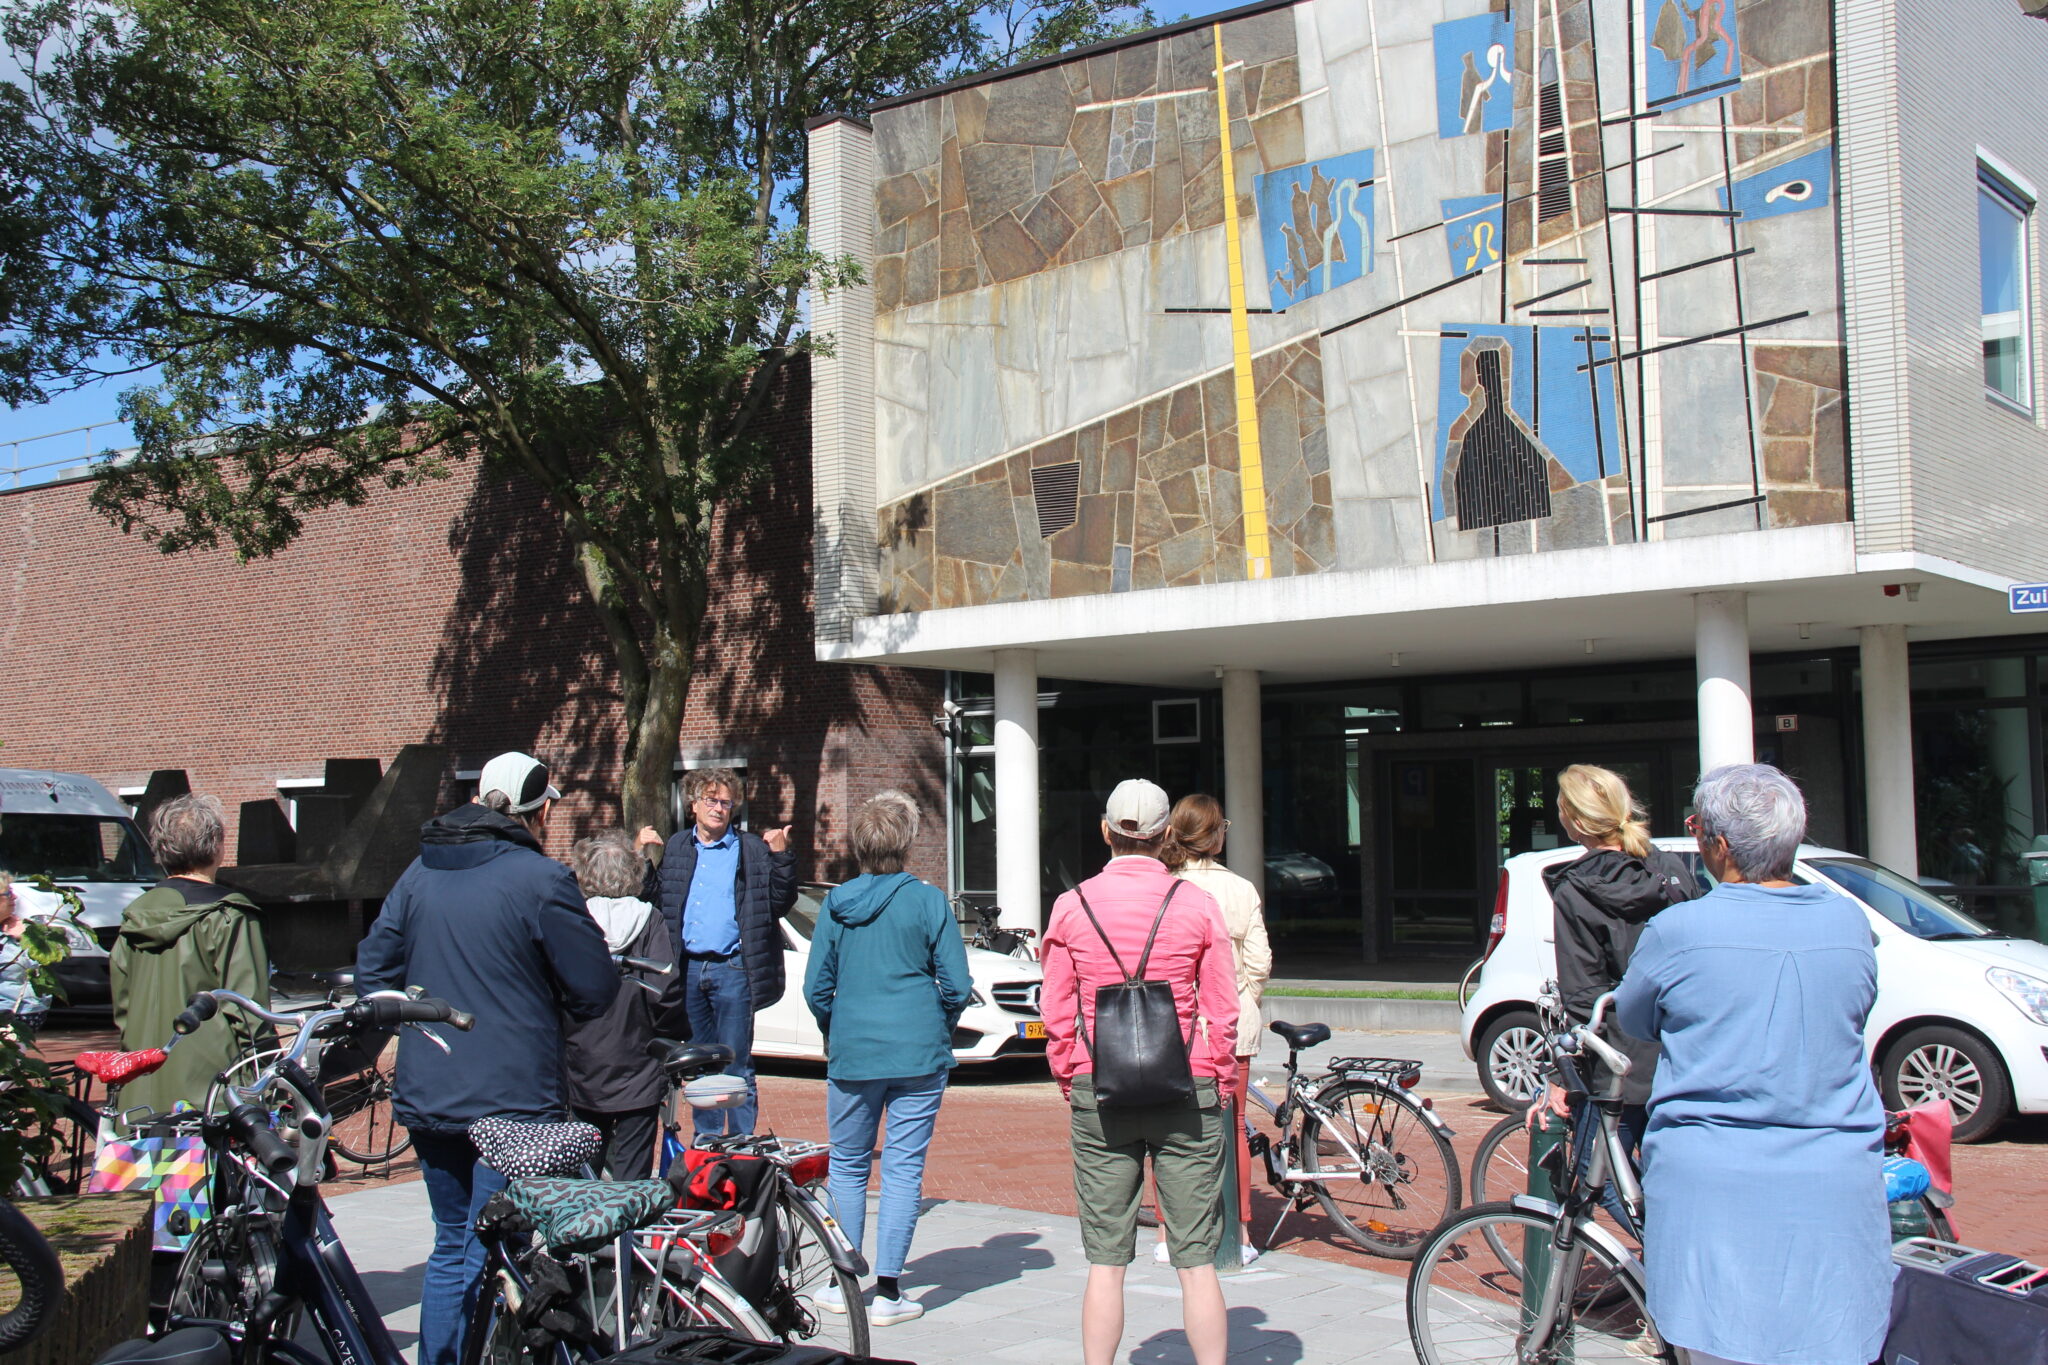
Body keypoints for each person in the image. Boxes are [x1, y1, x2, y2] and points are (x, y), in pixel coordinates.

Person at [1614, 764, 1890, 1365]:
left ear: (1716, 844)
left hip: (1715, 1184)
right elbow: (1855, 1008)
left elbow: (1634, 1021)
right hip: (1835, 1179)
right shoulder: (1850, 923)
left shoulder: (1679, 930)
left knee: (1720, 1347)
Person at [357, 752, 617, 1365]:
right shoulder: (540, 879)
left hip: (431, 1089)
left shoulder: (419, 873)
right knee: (503, 1247)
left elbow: (374, 971)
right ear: (539, 810)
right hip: (514, 1099)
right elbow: (595, 989)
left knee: (453, 1245)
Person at [1042, 778, 1237, 1365]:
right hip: (1190, 1086)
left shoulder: (1071, 907)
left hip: (1099, 1088)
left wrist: (1069, 1072)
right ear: (1164, 836)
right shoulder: (1198, 905)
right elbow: (1221, 1009)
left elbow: (1055, 1010)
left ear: (1106, 832)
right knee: (1197, 1262)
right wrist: (1223, 1080)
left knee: (1105, 1262)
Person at [803, 790, 971, 1328]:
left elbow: (815, 988)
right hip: (917, 1051)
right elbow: (959, 985)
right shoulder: (927, 901)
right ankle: (891, 1291)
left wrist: (838, 1031)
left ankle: (841, 1280)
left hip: (853, 1053)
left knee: (848, 1167)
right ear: (907, 842)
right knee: (902, 1169)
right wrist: (937, 1026)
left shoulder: (835, 903)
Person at [1529, 764, 1699, 1198]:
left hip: (1623, 1063)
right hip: (1687, 1050)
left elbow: (1585, 997)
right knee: (1678, 1178)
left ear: (1574, 821)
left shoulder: (1576, 890)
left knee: (1595, 1178)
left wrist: (1563, 1074)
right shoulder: (1671, 871)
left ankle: (1660, 1253)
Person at [636, 767, 797, 1137]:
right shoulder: (677, 846)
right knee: (700, 1064)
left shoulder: (751, 849)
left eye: (726, 802)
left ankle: (741, 1146)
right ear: (693, 803)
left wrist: (782, 858)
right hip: (690, 970)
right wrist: (643, 858)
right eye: (712, 800)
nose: (719, 808)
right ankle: (707, 1143)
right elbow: (659, 900)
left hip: (733, 969)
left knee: (737, 1063)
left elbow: (778, 903)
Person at [109, 795, 274, 1120]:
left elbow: (123, 1010)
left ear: (161, 850)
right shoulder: (230, 914)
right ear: (216, 847)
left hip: (141, 1085)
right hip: (215, 1087)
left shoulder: (134, 917)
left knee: (152, 1170)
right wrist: (268, 1079)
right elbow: (249, 1010)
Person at [1161, 794, 1270, 1264]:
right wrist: (1244, 998)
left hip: (1173, 1029)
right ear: (1217, 836)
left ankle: (1171, 1236)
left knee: (1168, 1133)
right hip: (1232, 1029)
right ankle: (1242, 1234)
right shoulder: (1242, 889)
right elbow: (1260, 961)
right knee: (1232, 1128)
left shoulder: (1165, 887)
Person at [564, 829, 686, 1179]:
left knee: (582, 1177)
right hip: (638, 1062)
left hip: (582, 1063)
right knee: (632, 1180)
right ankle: (628, 1234)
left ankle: (589, 1233)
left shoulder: (573, 921)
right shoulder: (649, 920)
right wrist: (671, 1036)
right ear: (633, 874)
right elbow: (666, 988)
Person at [1, 874, 54, 1038]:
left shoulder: (19, 927)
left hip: (29, 1011)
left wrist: (27, 938)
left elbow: (44, 963)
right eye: (8, 893)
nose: (15, 896)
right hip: (6, 1015)